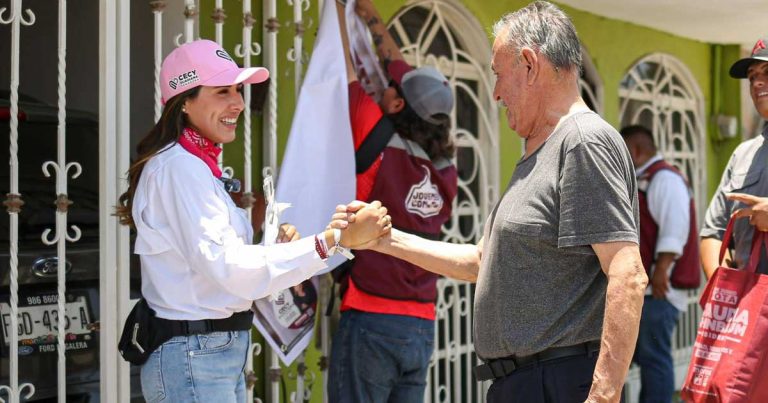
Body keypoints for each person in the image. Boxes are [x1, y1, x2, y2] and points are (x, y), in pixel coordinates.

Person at [340, 2, 647, 402]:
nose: (497, 93)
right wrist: (382, 240)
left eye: (500, 76)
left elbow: (627, 273)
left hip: (555, 381)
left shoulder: (582, 141)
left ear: (530, 65)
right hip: (526, 382)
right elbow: (482, 263)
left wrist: (603, 396)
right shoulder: (542, 150)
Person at [114, 39, 391, 403]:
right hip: (195, 354)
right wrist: (330, 242)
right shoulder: (179, 168)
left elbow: (220, 268)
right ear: (184, 101)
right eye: (222, 91)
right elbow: (227, 267)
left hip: (208, 351)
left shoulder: (194, 166)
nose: (239, 103)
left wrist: (278, 250)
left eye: (238, 90)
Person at [327, 1, 458, 402]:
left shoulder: (376, 137)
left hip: (370, 316)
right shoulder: (446, 167)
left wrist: (340, 9)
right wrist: (371, 16)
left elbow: (344, 66)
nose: (380, 84)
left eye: (389, 89)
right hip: (420, 324)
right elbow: (401, 74)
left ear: (398, 105)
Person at [621, 125, 699, 403]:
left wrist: (661, 271)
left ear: (635, 150)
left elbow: (674, 229)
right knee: (648, 359)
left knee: (654, 360)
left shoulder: (664, 179)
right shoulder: (649, 178)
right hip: (651, 289)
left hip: (659, 290)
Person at [701, 35, 768, 277]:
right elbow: (713, 231)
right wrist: (721, 290)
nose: (757, 83)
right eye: (752, 77)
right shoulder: (743, 154)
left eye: (767, 71)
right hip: (747, 309)